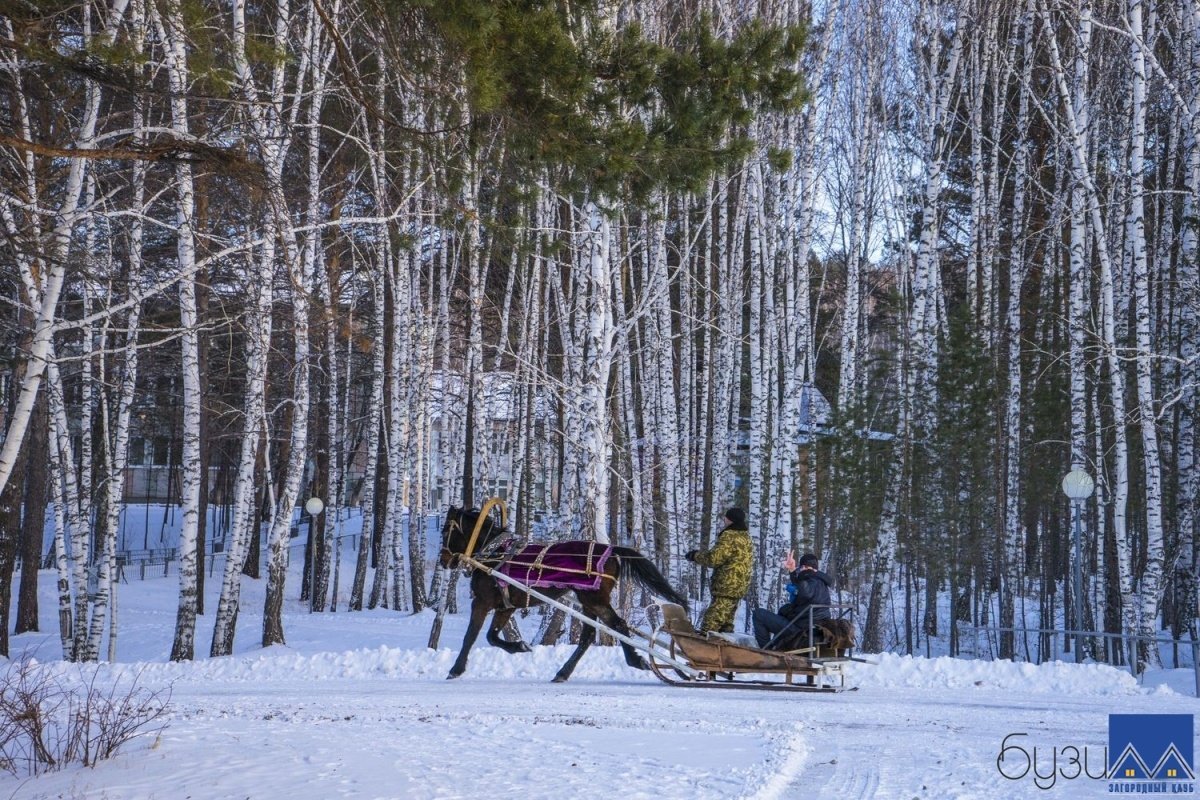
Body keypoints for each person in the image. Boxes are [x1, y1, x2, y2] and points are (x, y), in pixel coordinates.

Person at [685, 507, 753, 633]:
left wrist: (695, 556)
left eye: (726, 517)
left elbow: (714, 559)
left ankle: (703, 649)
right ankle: (723, 649)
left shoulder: (729, 536)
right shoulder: (745, 536)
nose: (724, 519)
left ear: (730, 520)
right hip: (739, 587)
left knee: (710, 624)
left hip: (727, 586)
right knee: (726, 624)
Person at [752, 551, 832, 650]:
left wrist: (796, 590)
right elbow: (805, 591)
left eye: (801, 568)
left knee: (758, 615)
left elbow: (805, 590)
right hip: (813, 629)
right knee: (784, 611)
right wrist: (792, 571)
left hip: (802, 631)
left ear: (804, 567)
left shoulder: (810, 582)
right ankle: (777, 646)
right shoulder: (820, 582)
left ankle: (767, 651)